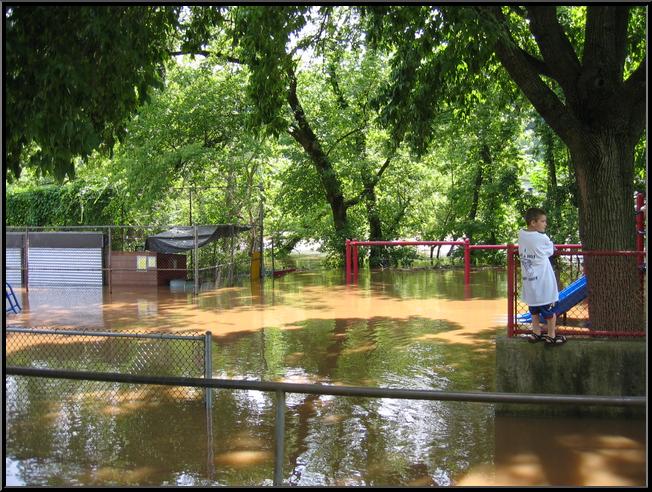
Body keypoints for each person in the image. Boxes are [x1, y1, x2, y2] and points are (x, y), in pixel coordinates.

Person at [518, 208, 567, 345]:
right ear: (533, 222)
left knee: (534, 309)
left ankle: (536, 333)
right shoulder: (542, 238)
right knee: (550, 311)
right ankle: (551, 335)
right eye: (543, 221)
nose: (545, 224)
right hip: (544, 282)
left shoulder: (521, 235)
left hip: (529, 282)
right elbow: (550, 250)